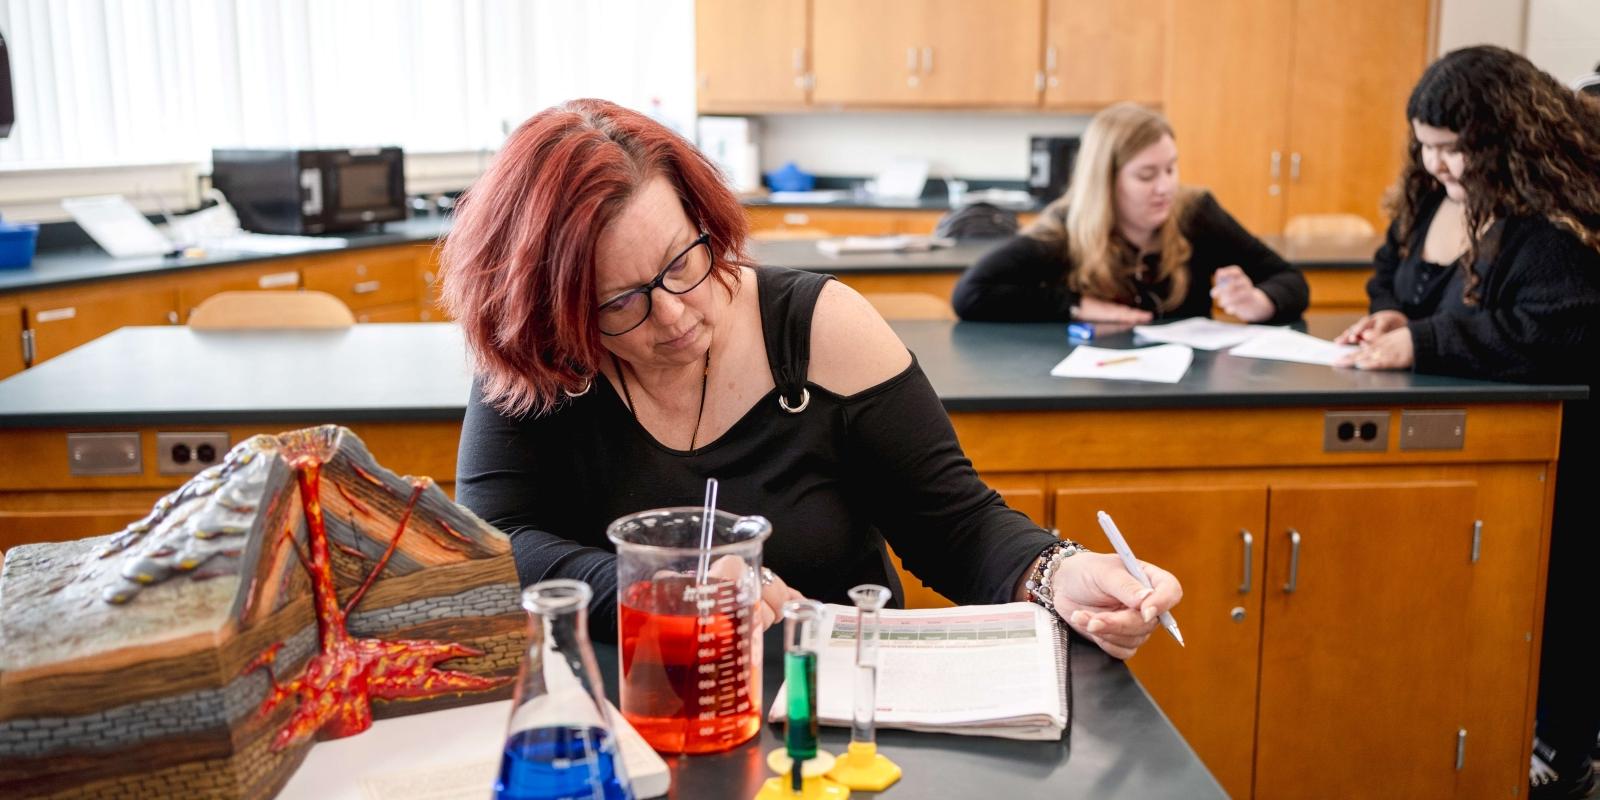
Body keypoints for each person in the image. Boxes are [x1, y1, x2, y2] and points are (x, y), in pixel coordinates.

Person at [438, 98, 1182, 659]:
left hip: (830, 713)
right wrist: (664, 589)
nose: (673, 315)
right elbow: (497, 542)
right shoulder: (535, 353)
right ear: (557, 311)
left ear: (706, 218)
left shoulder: (819, 328)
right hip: (624, 712)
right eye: (621, 301)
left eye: (682, 262)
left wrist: (1060, 573)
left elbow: (955, 527)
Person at [1332, 46, 1600, 800]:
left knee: (1560, 601)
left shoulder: (1549, 223)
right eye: (1427, 144)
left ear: (1507, 138)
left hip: (1559, 447)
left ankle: (1564, 753)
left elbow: (1554, 328)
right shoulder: (1431, 192)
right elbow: (1396, 270)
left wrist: (1421, 340)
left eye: (1455, 149)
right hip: (1468, 437)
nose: (1437, 163)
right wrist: (1394, 311)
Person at [951, 102, 1308, 325]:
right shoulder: (1064, 230)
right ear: (1104, 183)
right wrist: (1078, 305)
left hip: (1190, 390)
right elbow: (971, 294)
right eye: (1146, 175)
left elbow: (1289, 279)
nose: (1165, 187)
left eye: (1171, 169)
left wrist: (1259, 302)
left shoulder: (1196, 212)